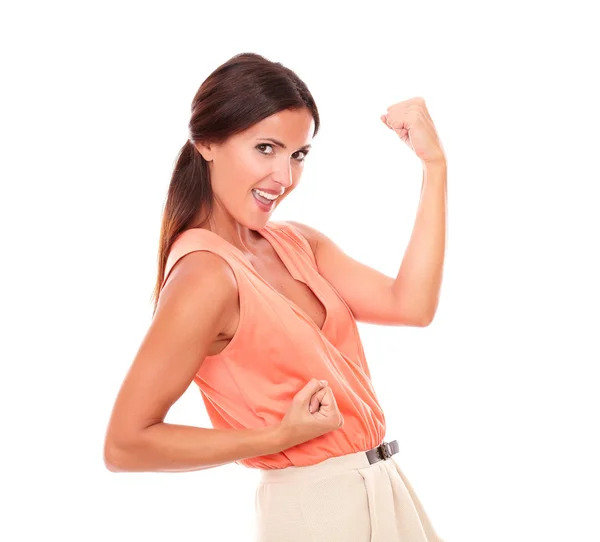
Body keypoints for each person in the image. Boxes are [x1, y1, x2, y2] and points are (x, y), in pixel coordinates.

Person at [103, 52, 447, 542]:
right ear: (206, 143)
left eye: (298, 154)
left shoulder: (295, 242)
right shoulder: (205, 275)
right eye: (265, 148)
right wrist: (275, 438)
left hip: (383, 487)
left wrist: (434, 166)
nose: (284, 178)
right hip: (316, 510)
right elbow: (125, 445)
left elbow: (411, 305)